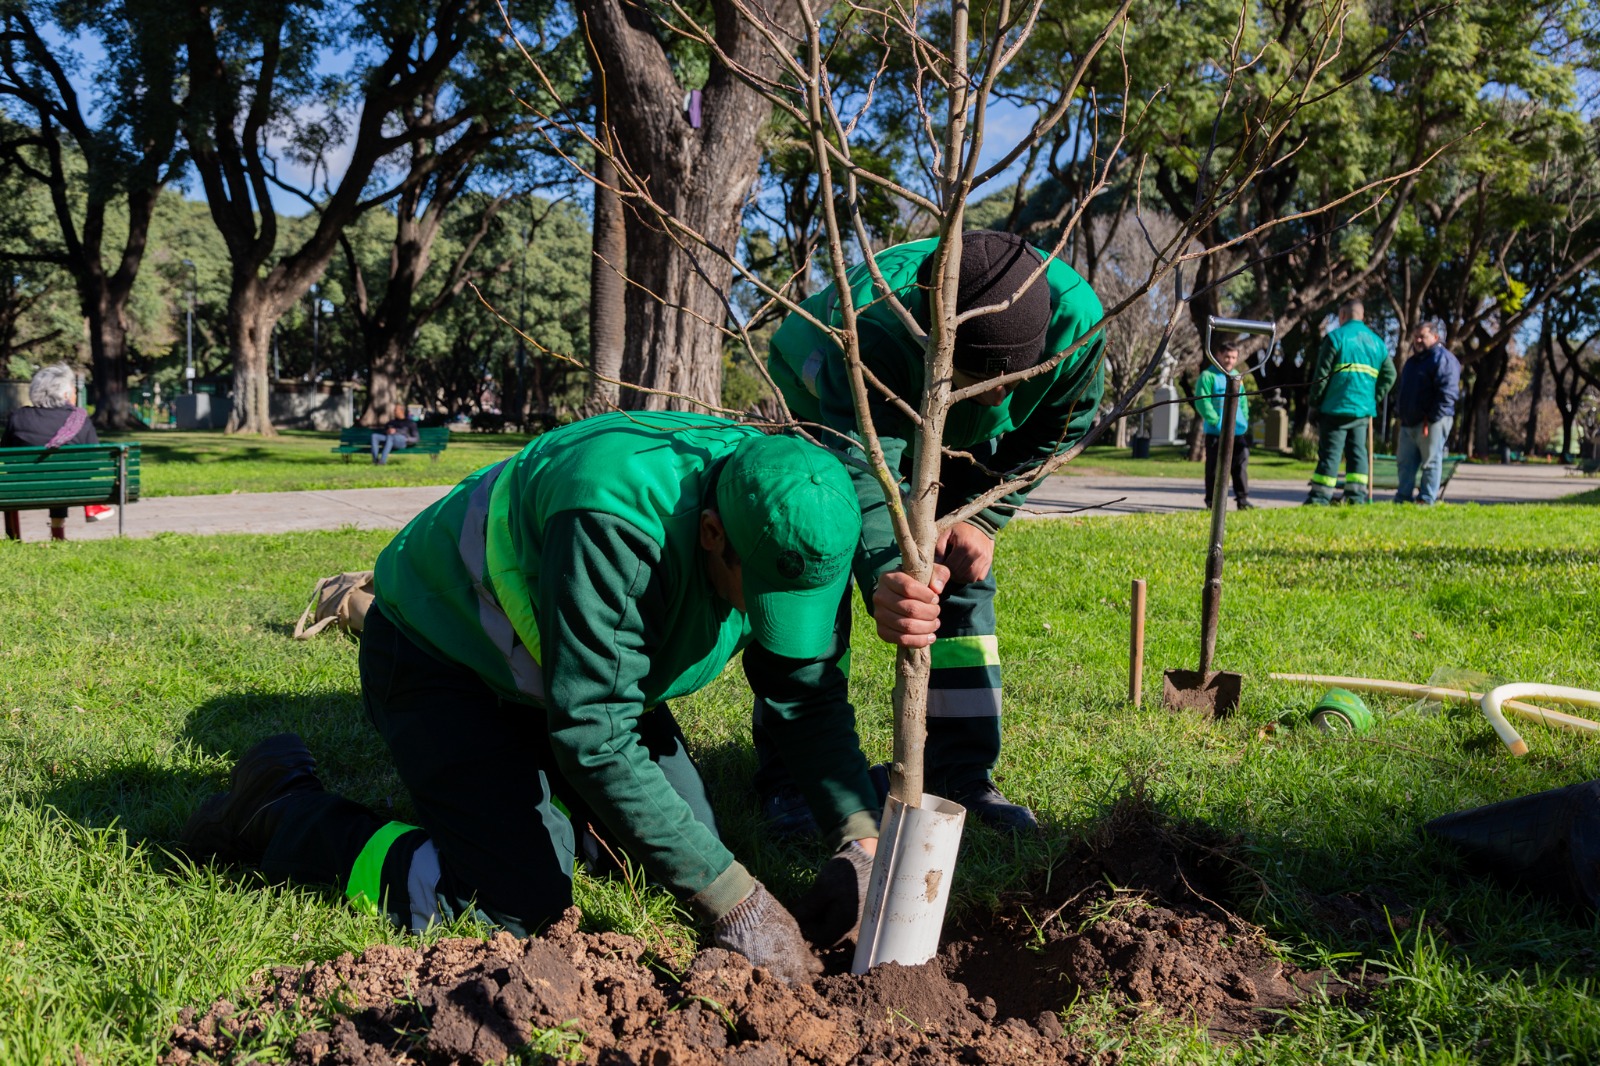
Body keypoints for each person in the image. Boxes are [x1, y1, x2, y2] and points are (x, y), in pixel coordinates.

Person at [182, 413, 882, 984]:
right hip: (444, 657)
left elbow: (806, 694)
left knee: (679, 846)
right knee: (513, 908)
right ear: (711, 536)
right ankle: (282, 812)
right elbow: (597, 734)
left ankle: (537, 813)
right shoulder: (616, 520)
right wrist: (738, 905)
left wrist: (860, 840)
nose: (773, 618)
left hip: (566, 672)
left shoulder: (801, 512)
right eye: (759, 596)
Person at [758, 229, 1106, 834]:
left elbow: (1060, 426)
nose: (999, 397)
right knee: (818, 558)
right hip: (835, 396)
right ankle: (796, 777)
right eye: (980, 378)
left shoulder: (1076, 325)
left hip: (944, 419)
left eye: (1011, 383)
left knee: (959, 563)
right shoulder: (877, 323)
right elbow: (869, 468)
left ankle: (960, 774)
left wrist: (983, 516)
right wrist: (891, 573)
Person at [1, 363, 113, 540]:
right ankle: (57, 534)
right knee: (64, 472)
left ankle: (13, 536)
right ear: (66, 394)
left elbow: (6, 456)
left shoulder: (18, 417)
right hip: (71, 487)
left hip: (23, 487)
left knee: (52, 470)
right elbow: (95, 462)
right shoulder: (80, 418)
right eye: (74, 391)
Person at [1304, 299, 1396, 505]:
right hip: (1363, 410)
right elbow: (1390, 375)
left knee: (1330, 454)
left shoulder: (1335, 338)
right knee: (1358, 454)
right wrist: (1374, 398)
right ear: (1362, 316)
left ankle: (1320, 498)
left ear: (1343, 315)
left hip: (1335, 408)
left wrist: (1314, 403)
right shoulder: (1378, 343)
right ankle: (1356, 497)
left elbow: (1322, 376)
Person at [1393, 321, 1460, 505]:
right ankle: (1403, 497)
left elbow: (1448, 393)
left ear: (1436, 337)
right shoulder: (1413, 362)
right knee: (1405, 463)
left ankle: (1426, 499)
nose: (1418, 340)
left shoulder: (1443, 359)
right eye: (1416, 337)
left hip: (1431, 422)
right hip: (1409, 422)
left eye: (1423, 336)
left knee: (1430, 462)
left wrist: (1432, 417)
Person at [1195, 340, 1253, 511]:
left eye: (1234, 357)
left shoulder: (1237, 377)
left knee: (1240, 464)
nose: (1230, 360)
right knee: (1214, 467)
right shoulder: (1208, 376)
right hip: (1216, 432)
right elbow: (1202, 401)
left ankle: (1242, 500)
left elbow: (1242, 401)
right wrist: (1215, 421)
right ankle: (1212, 502)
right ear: (1219, 355)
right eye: (1227, 356)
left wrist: (1245, 419)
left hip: (1237, 431)